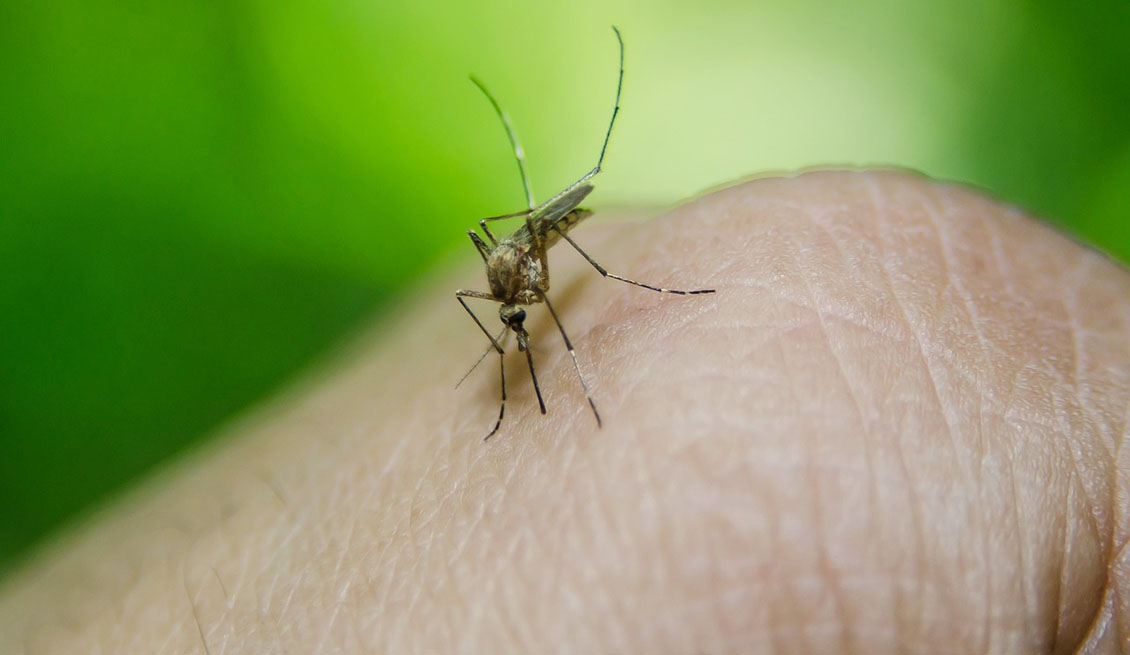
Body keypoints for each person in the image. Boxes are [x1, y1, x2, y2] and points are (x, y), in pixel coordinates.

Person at [1, 170, 1126, 652]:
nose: (510, 293)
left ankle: (628, 299)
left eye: (515, 282)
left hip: (558, 233)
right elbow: (491, 286)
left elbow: (529, 255)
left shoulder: (537, 253)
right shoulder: (496, 284)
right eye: (510, 286)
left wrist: (589, 293)